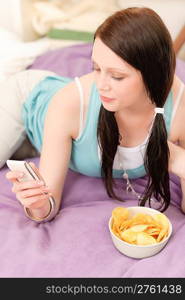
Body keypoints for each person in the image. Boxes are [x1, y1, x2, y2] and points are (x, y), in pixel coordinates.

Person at [4, 7, 185, 222]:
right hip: (27, 104)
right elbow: (45, 212)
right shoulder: (69, 104)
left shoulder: (178, 112)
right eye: (96, 68)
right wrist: (37, 205)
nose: (101, 85)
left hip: (58, 137)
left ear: (152, 76)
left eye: (116, 76)